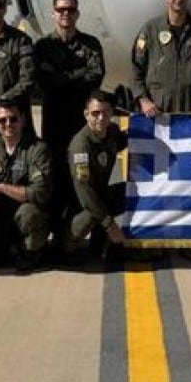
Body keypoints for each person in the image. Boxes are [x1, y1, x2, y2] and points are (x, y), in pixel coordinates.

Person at [33, 0, 105, 242]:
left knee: (83, 177)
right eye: (61, 10)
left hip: (80, 124)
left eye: (71, 10)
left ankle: (78, 235)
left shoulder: (90, 44)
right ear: (53, 14)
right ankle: (54, 232)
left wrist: (61, 78)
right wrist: (77, 76)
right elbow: (42, 81)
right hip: (54, 122)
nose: (66, 14)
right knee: (55, 177)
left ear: (77, 13)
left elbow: (96, 76)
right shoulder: (43, 47)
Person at [0, 100, 52, 272]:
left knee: (28, 214)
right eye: (2, 120)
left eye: (13, 119)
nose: (8, 124)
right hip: (4, 214)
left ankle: (32, 251)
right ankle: (5, 248)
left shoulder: (37, 149)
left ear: (23, 120)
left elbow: (40, 193)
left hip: (28, 212)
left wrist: (2, 188)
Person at [63, 91, 129, 262]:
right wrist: (109, 225)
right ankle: (68, 245)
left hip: (99, 194)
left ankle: (99, 242)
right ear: (86, 114)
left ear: (112, 113)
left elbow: (125, 140)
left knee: (129, 192)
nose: (101, 118)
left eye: (105, 113)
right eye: (95, 113)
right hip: (77, 205)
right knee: (93, 212)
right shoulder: (80, 146)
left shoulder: (112, 131)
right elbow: (84, 192)